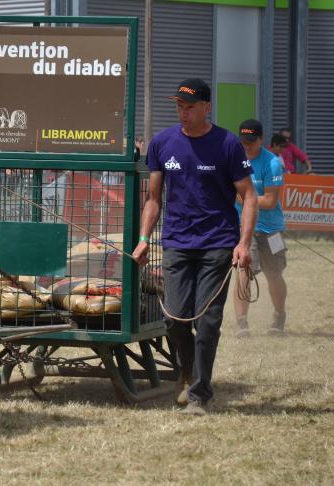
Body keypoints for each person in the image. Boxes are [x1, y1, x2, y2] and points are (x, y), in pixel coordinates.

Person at [132, 78, 258, 416]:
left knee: (208, 320)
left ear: (206, 107)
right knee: (174, 319)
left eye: (189, 107)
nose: (183, 113)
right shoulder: (162, 143)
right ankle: (185, 372)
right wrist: (144, 239)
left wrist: (244, 244)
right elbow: (153, 199)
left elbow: (248, 197)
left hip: (217, 243)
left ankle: (200, 393)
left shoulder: (228, 144)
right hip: (176, 243)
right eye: (179, 106)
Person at [233, 120, 288, 337]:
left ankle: (279, 316)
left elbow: (270, 201)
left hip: (272, 230)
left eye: (251, 141)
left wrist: (243, 198)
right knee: (244, 272)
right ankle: (241, 324)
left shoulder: (272, 163)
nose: (247, 145)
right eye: (243, 141)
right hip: (245, 228)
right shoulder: (234, 160)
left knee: (274, 274)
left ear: (261, 139)